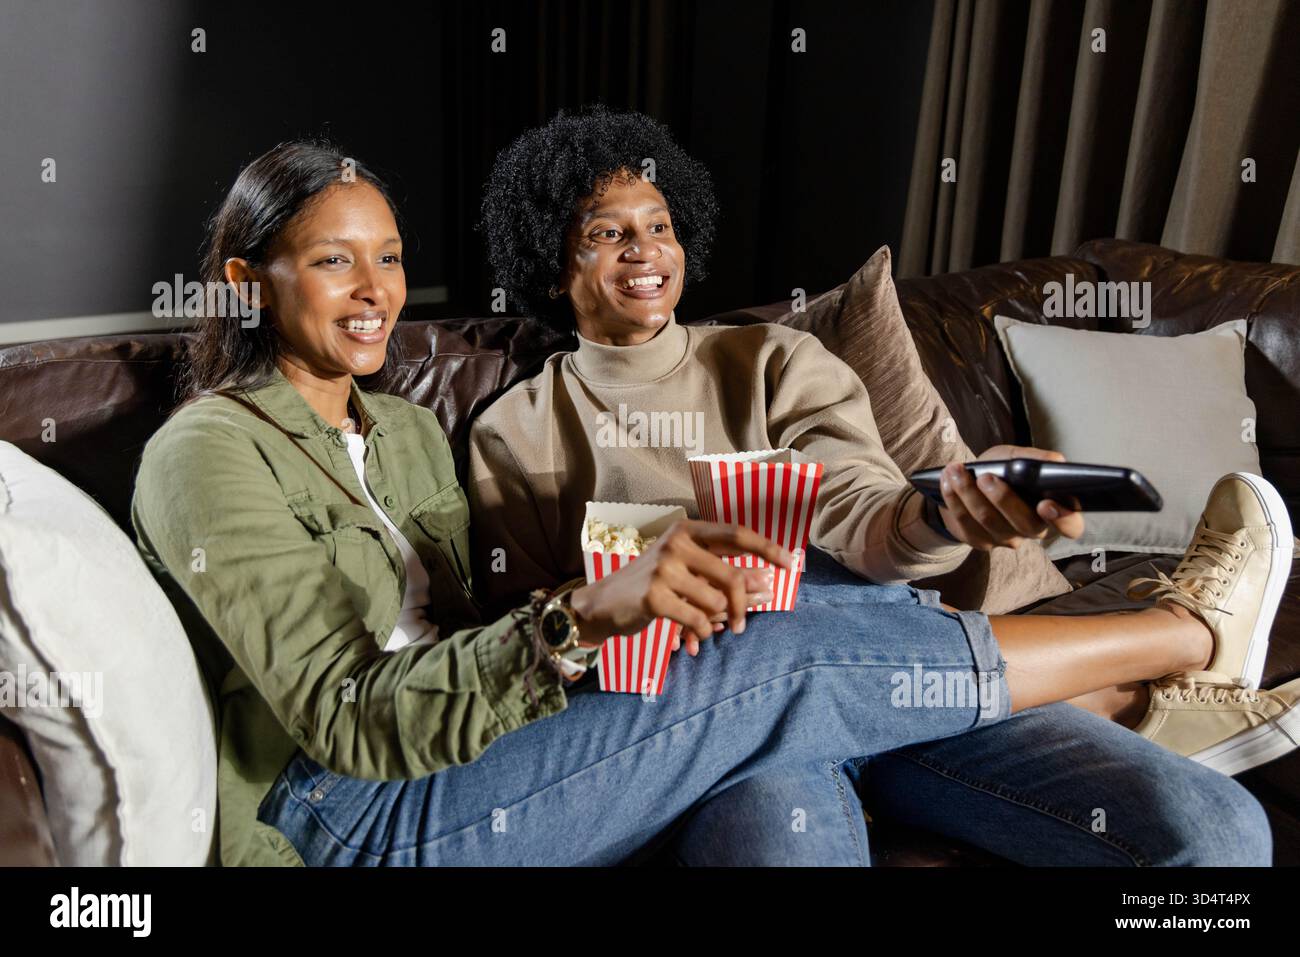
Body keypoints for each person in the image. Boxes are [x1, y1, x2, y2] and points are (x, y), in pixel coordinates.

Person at [466, 105, 1295, 864]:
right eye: (609, 235)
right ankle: (1167, 648)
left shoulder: (773, 361)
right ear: (550, 264)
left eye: (659, 226)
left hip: (896, 675)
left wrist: (943, 512)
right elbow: (537, 638)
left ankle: (1160, 657)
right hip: (712, 725)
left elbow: (865, 511)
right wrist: (641, 592)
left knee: (1218, 833)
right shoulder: (516, 430)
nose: (646, 249)